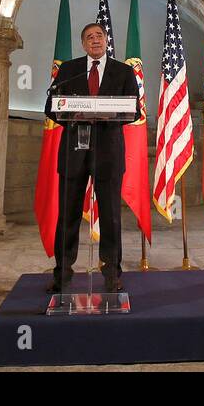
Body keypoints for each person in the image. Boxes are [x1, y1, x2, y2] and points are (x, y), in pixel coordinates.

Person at [43, 22, 141, 294]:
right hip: (75, 151)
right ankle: (62, 273)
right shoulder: (68, 70)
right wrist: (76, 115)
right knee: (68, 216)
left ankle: (112, 274)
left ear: (106, 40)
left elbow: (134, 110)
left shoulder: (123, 71)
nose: (95, 40)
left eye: (99, 36)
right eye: (89, 37)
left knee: (110, 217)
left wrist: (106, 114)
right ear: (83, 44)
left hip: (108, 151)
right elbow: (51, 107)